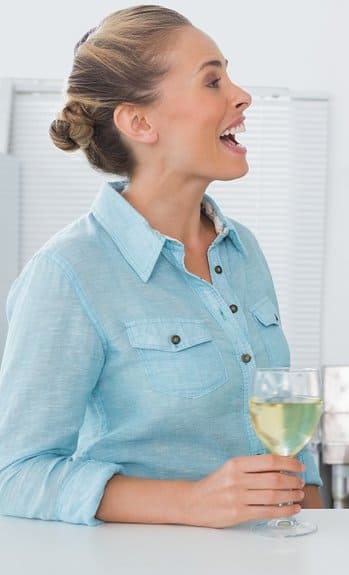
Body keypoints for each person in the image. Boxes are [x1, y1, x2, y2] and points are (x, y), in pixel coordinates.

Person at [0, 5, 322, 527]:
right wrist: (191, 503)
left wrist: (317, 521)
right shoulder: (68, 273)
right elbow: (14, 474)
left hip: (268, 565)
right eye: (212, 81)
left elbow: (281, 440)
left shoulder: (244, 251)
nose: (242, 96)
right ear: (139, 121)